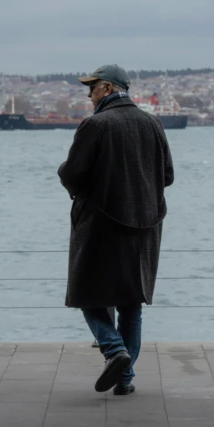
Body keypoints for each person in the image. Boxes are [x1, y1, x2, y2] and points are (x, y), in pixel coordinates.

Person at [58, 64, 174, 396]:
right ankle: (125, 378)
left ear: (107, 89)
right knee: (131, 302)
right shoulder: (152, 123)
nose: (88, 94)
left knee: (87, 293)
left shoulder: (95, 125)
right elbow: (167, 176)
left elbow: (73, 175)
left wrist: (63, 171)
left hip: (100, 225)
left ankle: (113, 349)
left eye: (92, 88)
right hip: (145, 226)